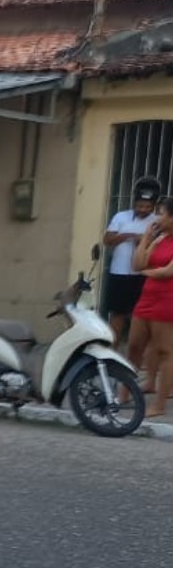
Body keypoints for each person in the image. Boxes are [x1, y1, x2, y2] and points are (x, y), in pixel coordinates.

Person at [103, 178, 161, 369]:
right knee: (117, 316)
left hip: (143, 275)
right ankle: (110, 354)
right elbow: (107, 239)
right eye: (140, 205)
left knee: (140, 319)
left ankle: (136, 361)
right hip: (119, 273)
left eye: (147, 206)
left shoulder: (157, 222)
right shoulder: (121, 217)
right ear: (134, 202)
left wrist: (144, 242)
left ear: (154, 206)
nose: (143, 209)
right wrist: (127, 236)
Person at [131, 197, 173, 418]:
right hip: (146, 298)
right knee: (134, 346)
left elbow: (167, 272)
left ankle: (159, 404)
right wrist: (146, 239)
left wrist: (145, 272)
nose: (158, 217)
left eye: (162, 213)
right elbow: (137, 263)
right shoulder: (160, 239)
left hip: (167, 301)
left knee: (165, 351)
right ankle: (124, 392)